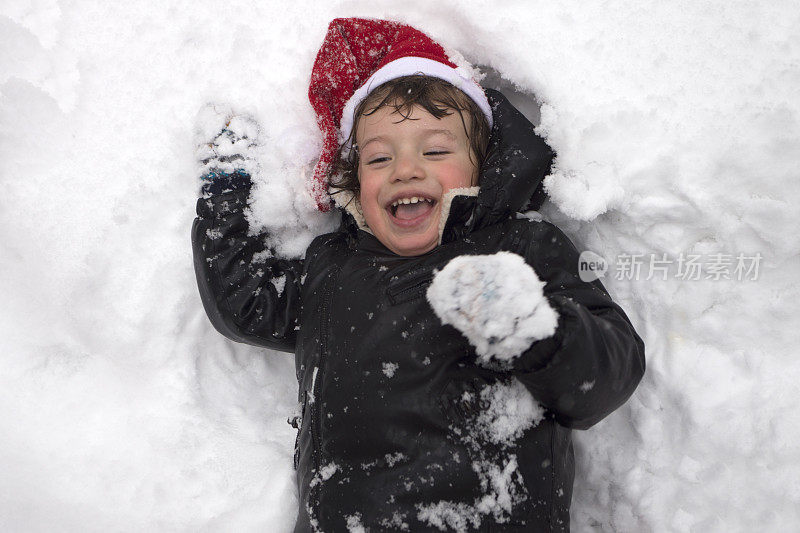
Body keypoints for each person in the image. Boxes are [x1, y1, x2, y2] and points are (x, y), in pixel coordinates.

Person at [192, 17, 645, 533]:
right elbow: (247, 302)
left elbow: (607, 378)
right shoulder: (330, 270)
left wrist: (537, 331)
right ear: (354, 179)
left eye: (435, 150)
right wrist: (225, 196)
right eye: (380, 156)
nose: (405, 169)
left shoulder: (520, 247)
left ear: (481, 165)